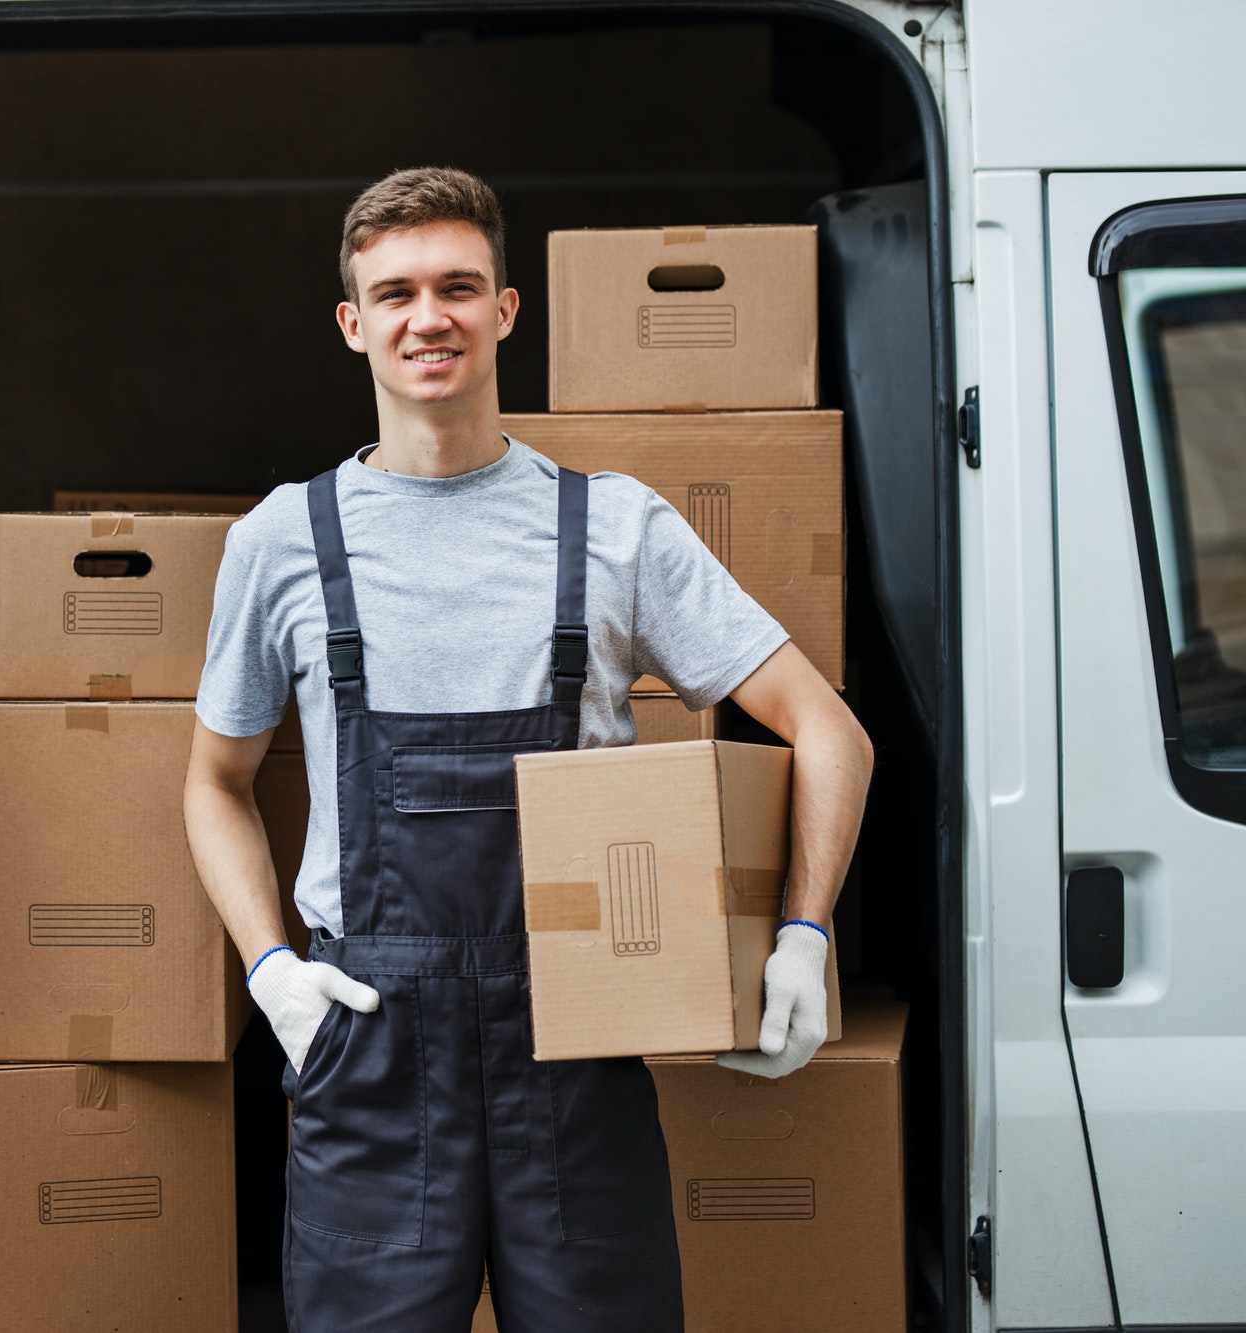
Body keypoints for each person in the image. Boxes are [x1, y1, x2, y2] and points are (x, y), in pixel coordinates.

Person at [182, 166, 873, 1332]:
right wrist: (270, 974)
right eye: (394, 293)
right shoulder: (278, 543)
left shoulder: (612, 527)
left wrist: (800, 940)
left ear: (506, 309)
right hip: (368, 1045)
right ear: (353, 325)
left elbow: (828, 731)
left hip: (576, 1048)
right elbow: (212, 784)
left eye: (458, 286)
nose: (427, 316)